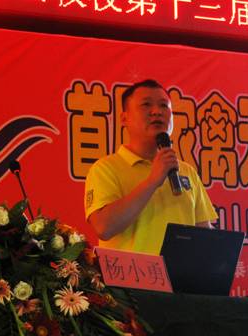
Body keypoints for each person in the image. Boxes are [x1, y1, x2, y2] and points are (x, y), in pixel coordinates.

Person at [84, 79, 217, 254]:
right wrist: (152, 181)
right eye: (146, 105)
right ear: (124, 118)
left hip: (180, 272)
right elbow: (104, 227)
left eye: (164, 106)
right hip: (131, 272)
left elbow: (204, 234)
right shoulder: (105, 168)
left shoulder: (187, 172)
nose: (157, 112)